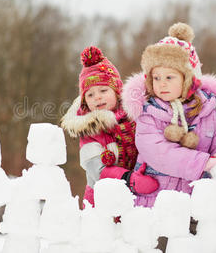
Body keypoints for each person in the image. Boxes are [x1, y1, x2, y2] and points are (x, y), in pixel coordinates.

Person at [121, 22, 216, 208]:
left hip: (195, 205)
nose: (161, 84)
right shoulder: (149, 114)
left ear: (188, 79)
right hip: (155, 204)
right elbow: (158, 153)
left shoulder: (210, 114)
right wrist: (204, 162)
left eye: (169, 77)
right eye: (156, 78)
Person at [61, 46, 158, 207]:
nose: (97, 97)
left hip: (137, 198)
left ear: (117, 91)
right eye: (90, 94)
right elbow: (97, 171)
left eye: (103, 90)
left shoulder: (134, 117)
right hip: (102, 202)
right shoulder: (90, 131)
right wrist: (130, 179)